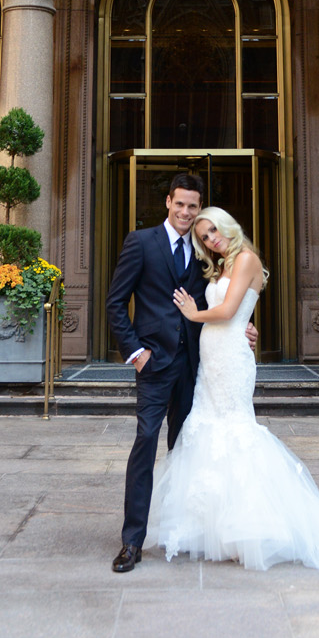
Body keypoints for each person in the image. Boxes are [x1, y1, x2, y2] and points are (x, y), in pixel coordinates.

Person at [148, 207, 319, 572]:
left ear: (230, 225)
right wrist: (238, 324)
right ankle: (209, 526)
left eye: (214, 231)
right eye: (204, 237)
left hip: (231, 357)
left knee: (236, 430)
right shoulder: (222, 265)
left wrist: (193, 314)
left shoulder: (247, 259)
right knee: (207, 426)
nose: (211, 239)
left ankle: (249, 528)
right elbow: (235, 314)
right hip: (212, 357)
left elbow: (226, 311)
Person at [105, 172, 256, 574]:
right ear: (168, 202)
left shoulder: (210, 253)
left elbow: (230, 300)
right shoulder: (141, 243)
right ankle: (132, 541)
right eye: (180, 204)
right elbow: (116, 303)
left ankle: (182, 530)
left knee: (189, 449)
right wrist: (136, 353)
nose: (186, 212)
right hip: (153, 365)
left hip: (197, 367)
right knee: (145, 444)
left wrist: (244, 325)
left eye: (194, 206)